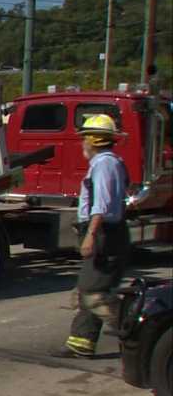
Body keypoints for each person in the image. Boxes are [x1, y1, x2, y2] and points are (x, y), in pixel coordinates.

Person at [53, 114, 130, 358]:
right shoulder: (108, 162)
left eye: (85, 138)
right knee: (86, 290)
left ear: (94, 140)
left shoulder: (104, 164)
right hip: (105, 232)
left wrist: (91, 235)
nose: (82, 143)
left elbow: (102, 205)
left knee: (93, 293)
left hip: (105, 234)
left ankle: (138, 334)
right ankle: (81, 343)